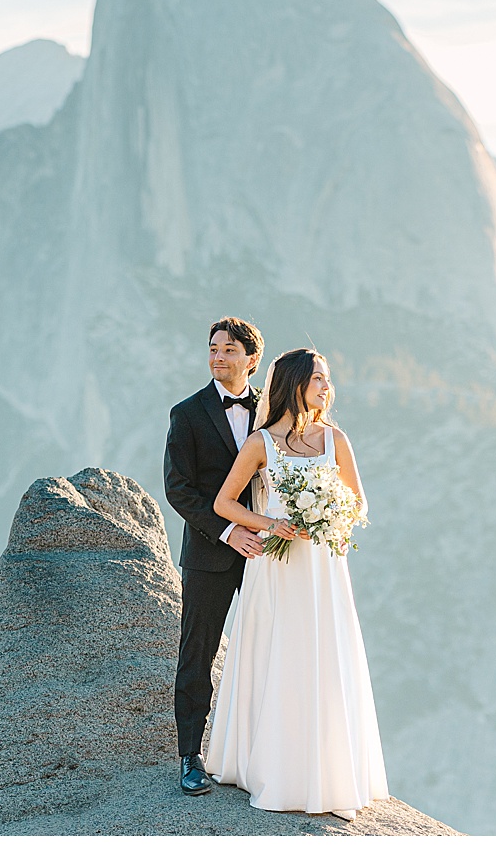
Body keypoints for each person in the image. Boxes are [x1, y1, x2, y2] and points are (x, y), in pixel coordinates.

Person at [205, 347, 389, 821]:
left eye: (328, 380)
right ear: (295, 383)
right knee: (279, 656)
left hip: (323, 568)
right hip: (277, 567)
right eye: (320, 379)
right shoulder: (261, 443)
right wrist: (269, 523)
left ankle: (325, 771)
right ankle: (270, 767)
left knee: (323, 657)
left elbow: (360, 504)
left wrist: (330, 518)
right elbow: (225, 504)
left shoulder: (336, 439)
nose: (328, 387)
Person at [163, 317, 269, 796]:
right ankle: (190, 756)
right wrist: (228, 531)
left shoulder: (273, 409)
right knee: (198, 654)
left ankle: (265, 754)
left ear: (251, 358)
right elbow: (178, 490)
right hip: (211, 553)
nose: (217, 357)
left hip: (270, 552)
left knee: (272, 647)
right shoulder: (186, 414)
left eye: (228, 350)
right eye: (212, 349)